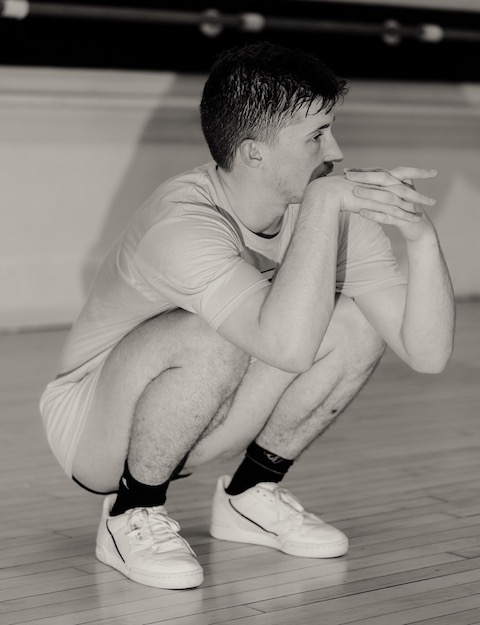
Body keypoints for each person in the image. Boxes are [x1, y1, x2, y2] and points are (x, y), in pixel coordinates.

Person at [39, 40, 455, 590]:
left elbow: (426, 353)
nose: (335, 148)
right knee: (214, 334)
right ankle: (130, 512)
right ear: (255, 153)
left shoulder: (322, 205)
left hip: (207, 410)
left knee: (355, 323)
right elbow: (283, 347)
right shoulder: (184, 225)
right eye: (315, 136)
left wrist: (419, 235)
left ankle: (248, 495)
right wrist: (327, 204)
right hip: (97, 428)